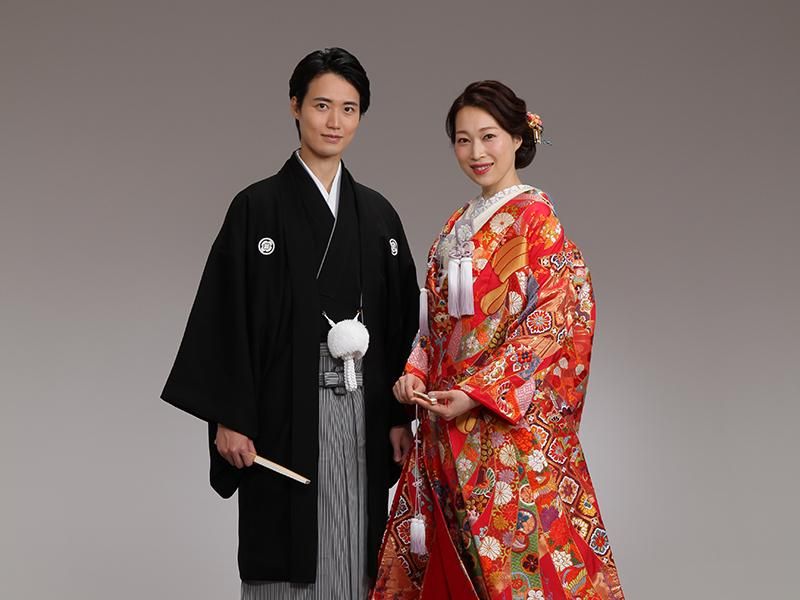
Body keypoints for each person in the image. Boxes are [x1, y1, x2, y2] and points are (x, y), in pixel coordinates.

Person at [161, 47, 419, 599]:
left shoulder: (378, 215)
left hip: (365, 407)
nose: (334, 121)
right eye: (322, 105)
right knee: (286, 554)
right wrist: (230, 416)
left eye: (349, 109)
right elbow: (225, 317)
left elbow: (402, 324)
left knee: (357, 546)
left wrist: (400, 416)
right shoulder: (256, 208)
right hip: (280, 411)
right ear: (295, 106)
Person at [372, 81, 624, 599]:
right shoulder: (454, 225)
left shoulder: (536, 219)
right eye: (463, 140)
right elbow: (432, 324)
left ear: (517, 137)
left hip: (500, 429)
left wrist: (477, 392)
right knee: (449, 563)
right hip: (445, 423)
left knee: (514, 571)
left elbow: (550, 321)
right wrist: (414, 374)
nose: (476, 152)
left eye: (488, 137)